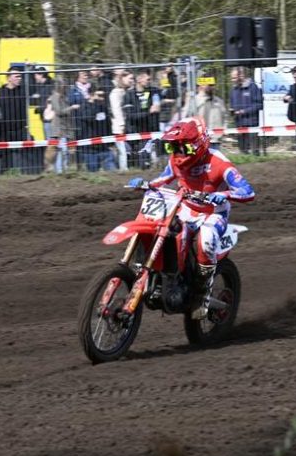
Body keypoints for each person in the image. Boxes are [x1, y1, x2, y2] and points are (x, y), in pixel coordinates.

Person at [127, 117, 255, 319]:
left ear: (198, 144)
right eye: (172, 147)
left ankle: (201, 293)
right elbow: (163, 179)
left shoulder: (219, 163)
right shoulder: (176, 161)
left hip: (213, 213)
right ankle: (167, 275)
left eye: (183, 147)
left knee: (206, 239)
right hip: (186, 207)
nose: (178, 153)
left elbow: (247, 191)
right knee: (166, 230)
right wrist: (146, 184)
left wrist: (223, 194)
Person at [75, 87, 117, 172]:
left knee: (113, 172)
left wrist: (111, 142)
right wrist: (95, 104)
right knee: (93, 173)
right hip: (90, 149)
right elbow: (89, 118)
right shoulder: (84, 107)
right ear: (91, 95)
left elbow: (108, 125)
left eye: (103, 96)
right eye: (99, 95)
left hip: (104, 147)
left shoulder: (103, 107)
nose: (102, 98)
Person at [184, 78, 228, 150]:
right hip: (199, 141)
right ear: (201, 85)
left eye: (213, 85)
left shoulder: (219, 101)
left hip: (216, 141)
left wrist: (224, 130)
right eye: (209, 85)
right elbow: (187, 119)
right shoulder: (194, 101)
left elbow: (225, 117)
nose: (212, 87)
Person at [229, 67, 264, 155]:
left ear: (241, 75)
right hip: (239, 124)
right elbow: (232, 105)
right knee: (243, 151)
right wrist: (232, 110)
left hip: (252, 123)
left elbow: (259, 105)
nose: (232, 80)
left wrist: (243, 111)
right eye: (232, 78)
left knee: (255, 151)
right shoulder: (233, 90)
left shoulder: (253, 87)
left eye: (234, 78)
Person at [109, 70, 133, 171]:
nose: (132, 81)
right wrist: (121, 124)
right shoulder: (115, 93)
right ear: (122, 78)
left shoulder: (128, 91)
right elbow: (116, 110)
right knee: (123, 149)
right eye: (130, 78)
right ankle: (123, 168)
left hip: (130, 125)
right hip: (119, 127)